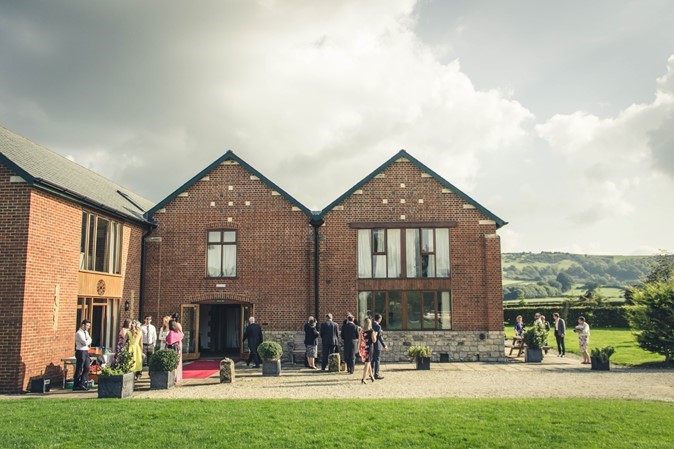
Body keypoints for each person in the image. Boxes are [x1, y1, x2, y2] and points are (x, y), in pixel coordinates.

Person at [73, 320, 92, 391]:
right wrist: (88, 341)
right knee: (79, 368)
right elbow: (84, 342)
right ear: (83, 325)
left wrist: (88, 341)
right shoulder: (79, 333)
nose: (88, 327)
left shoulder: (86, 332)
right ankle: (76, 384)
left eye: (89, 326)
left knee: (87, 367)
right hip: (80, 351)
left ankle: (82, 383)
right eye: (87, 326)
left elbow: (90, 339)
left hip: (86, 351)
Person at [358, 317, 377, 383]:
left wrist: (358, 349)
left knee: (368, 362)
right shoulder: (371, 331)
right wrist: (375, 335)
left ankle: (372, 376)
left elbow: (359, 341)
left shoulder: (361, 331)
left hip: (363, 348)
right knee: (367, 363)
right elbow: (374, 341)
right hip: (369, 348)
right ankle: (363, 378)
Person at [371, 313, 387, 380]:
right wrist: (384, 345)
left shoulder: (371, 325)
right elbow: (380, 337)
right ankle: (376, 374)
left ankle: (371, 373)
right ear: (379, 319)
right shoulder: (378, 327)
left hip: (371, 344)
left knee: (372, 360)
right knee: (377, 360)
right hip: (377, 345)